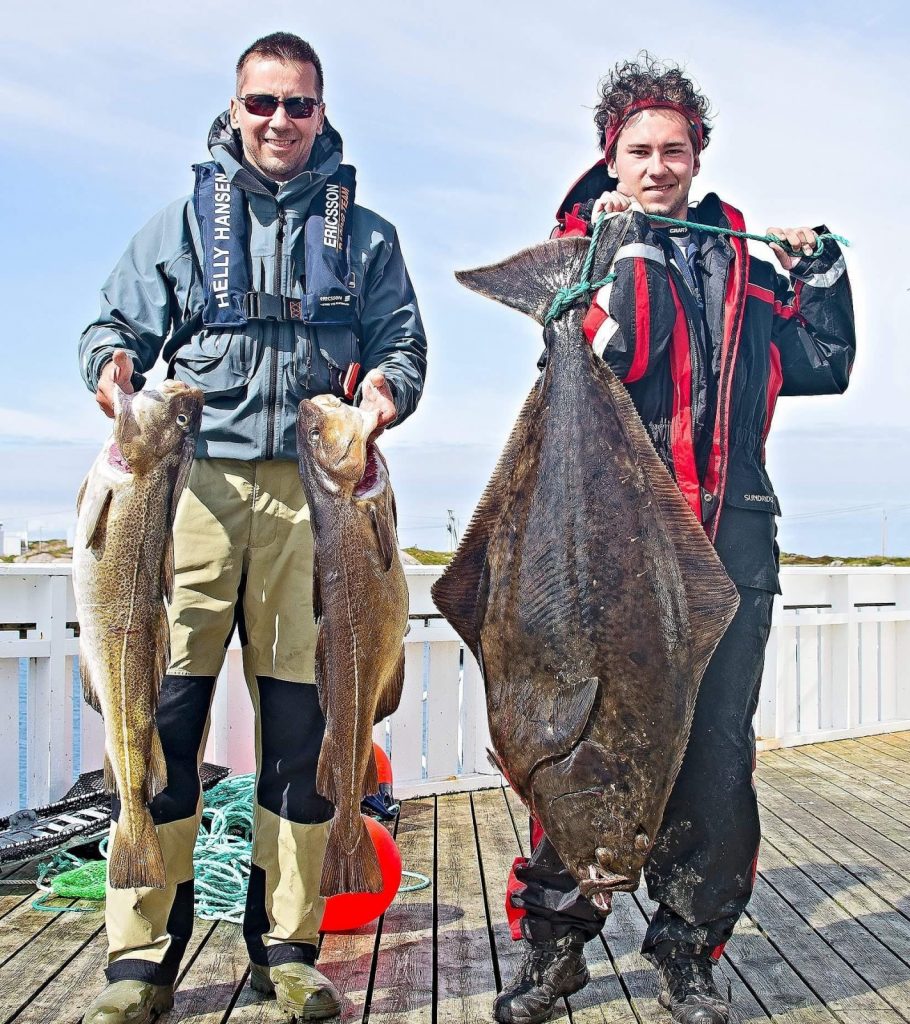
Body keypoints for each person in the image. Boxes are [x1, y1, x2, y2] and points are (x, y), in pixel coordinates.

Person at [495, 54, 854, 1024]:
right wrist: (600, 255)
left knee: (713, 753)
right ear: (609, 159)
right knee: (582, 745)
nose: (656, 166)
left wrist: (819, 268)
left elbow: (823, 364)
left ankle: (688, 950)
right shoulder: (587, 248)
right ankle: (555, 946)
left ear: (699, 153)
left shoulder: (745, 262)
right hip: (613, 548)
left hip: (731, 538)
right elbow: (568, 352)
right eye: (636, 151)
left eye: (673, 149)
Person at [77, 32, 426, 1024]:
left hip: (318, 502)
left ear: (323, 114)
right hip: (186, 494)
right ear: (236, 109)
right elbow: (114, 325)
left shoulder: (368, 239)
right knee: (164, 719)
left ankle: (290, 949)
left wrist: (391, 390)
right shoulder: (180, 226)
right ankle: (139, 957)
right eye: (263, 103)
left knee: (303, 735)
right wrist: (109, 367)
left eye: (299, 105)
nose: (280, 122)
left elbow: (402, 341)